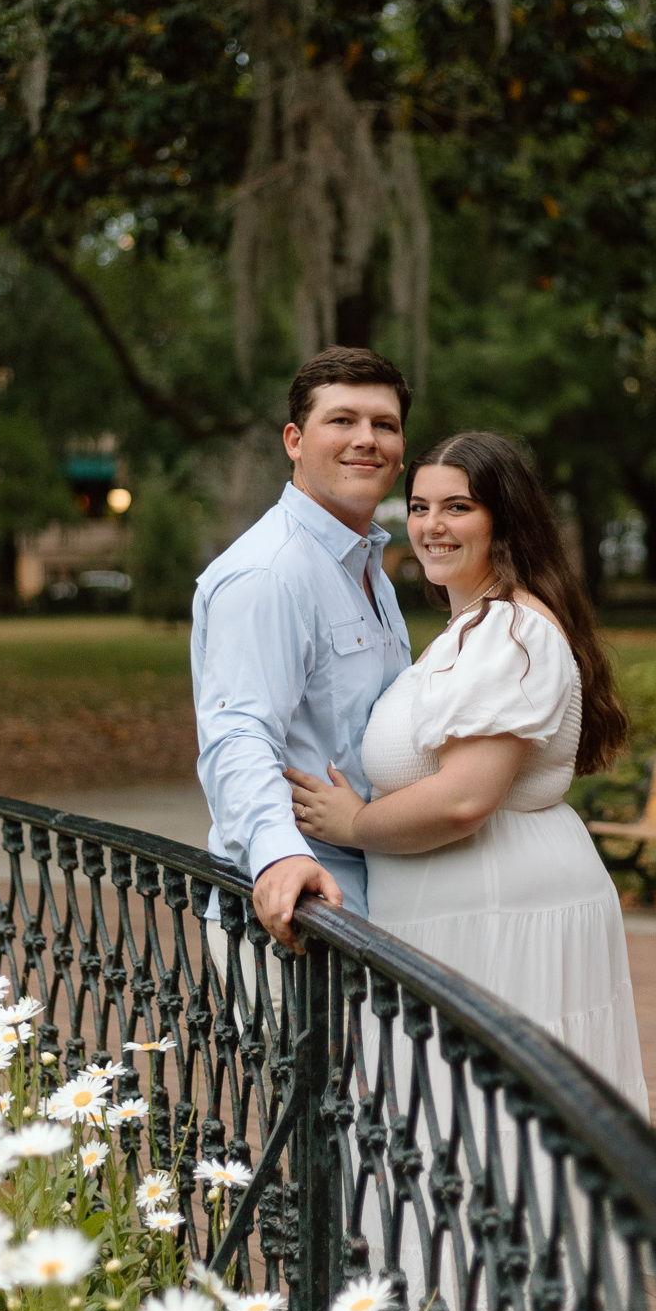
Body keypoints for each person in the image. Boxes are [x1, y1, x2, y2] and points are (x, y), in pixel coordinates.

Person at [283, 430, 648, 1113]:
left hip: (500, 909)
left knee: (494, 1119)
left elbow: (464, 799)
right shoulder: (479, 627)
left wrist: (356, 824)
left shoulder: (509, 633)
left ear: (504, 520)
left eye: (458, 507)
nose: (432, 526)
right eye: (419, 507)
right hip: (473, 907)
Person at [190, 347, 414, 948]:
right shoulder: (270, 572)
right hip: (300, 912)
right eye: (342, 420)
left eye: (384, 425)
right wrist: (278, 855)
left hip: (372, 907)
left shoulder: (367, 568)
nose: (366, 439)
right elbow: (237, 732)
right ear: (294, 440)